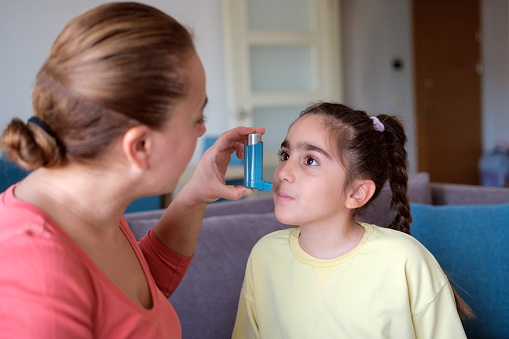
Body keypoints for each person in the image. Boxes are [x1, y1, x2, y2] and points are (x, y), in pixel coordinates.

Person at [0, 2, 263, 338]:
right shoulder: (37, 279)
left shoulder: (88, 202)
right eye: (198, 118)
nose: (202, 132)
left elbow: (136, 295)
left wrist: (195, 193)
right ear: (139, 147)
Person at [232, 102, 473, 338]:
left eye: (310, 160)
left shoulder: (405, 259)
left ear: (356, 193)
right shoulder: (264, 255)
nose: (283, 172)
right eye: (285, 155)